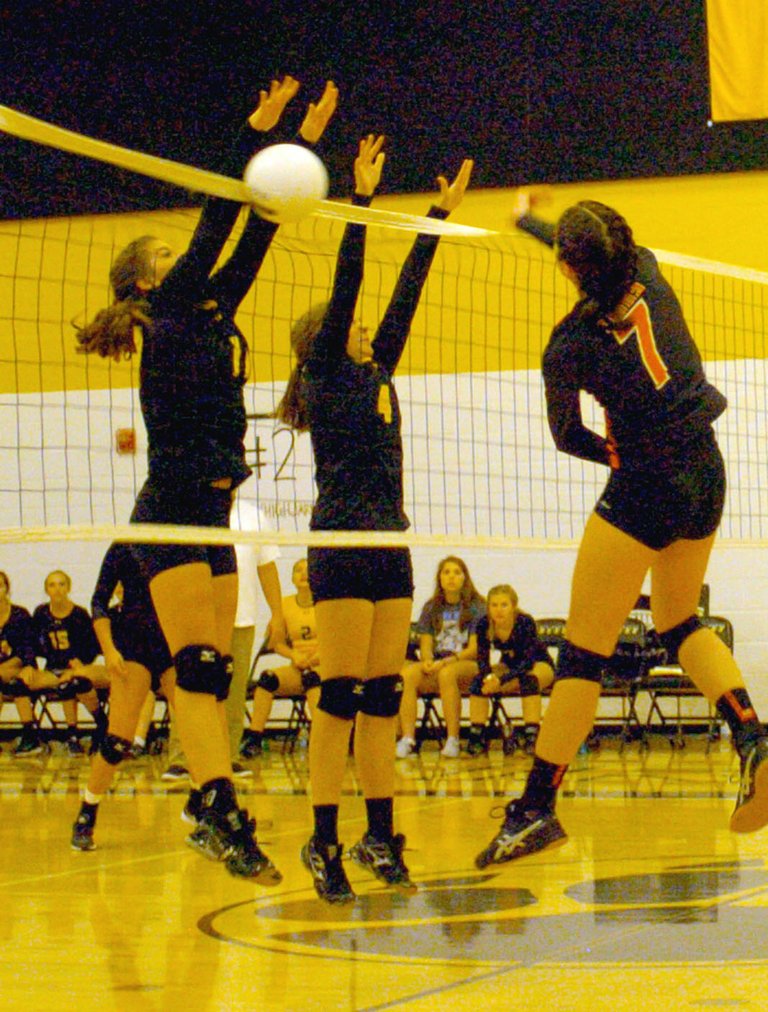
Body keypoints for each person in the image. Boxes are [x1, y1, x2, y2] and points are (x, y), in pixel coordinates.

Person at [74, 76, 338, 884]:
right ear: (149, 283)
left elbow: (260, 225)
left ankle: (208, 805)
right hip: (174, 507)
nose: (180, 259)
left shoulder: (212, 307)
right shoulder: (177, 306)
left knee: (211, 670)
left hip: (213, 508)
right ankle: (216, 805)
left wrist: (305, 148)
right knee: (193, 663)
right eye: (165, 258)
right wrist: (253, 131)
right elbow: (224, 217)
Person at [475, 192, 768, 868]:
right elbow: (594, 252)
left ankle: (535, 809)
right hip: (706, 470)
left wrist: (614, 457)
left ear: (567, 269)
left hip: (643, 482)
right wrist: (537, 226)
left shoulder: (568, 347)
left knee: (582, 655)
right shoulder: (648, 269)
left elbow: (567, 437)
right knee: (678, 620)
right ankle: (753, 740)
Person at [273, 131, 473, 902]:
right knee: (342, 697)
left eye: (360, 330)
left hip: (392, 546)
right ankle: (322, 843)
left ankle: (379, 835)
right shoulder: (326, 373)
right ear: (323, 342)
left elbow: (404, 295)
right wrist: (359, 200)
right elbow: (353, 282)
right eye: (349, 327)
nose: (362, 330)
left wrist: (434, 217)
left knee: (386, 698)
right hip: (342, 545)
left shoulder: (377, 368)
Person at [160, 493, 284, 779]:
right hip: (197, 618)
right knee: (191, 685)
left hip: (241, 618)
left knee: (233, 690)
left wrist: (277, 613)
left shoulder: (254, 516)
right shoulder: (191, 510)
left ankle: (229, 756)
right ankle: (181, 758)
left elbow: (267, 568)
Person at [70, 542, 175, 851]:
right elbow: (99, 600)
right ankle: (87, 811)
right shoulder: (126, 546)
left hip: (173, 639)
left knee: (200, 727)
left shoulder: (185, 539)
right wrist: (109, 649)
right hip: (133, 643)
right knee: (118, 739)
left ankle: (213, 808)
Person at [395, 555, 485, 759]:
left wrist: (447, 661)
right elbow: (426, 643)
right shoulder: (431, 607)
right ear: (439, 578)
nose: (451, 577)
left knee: (447, 674)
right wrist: (427, 660)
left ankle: (453, 739)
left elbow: (474, 648)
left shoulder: (476, 606)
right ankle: (408, 738)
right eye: (446, 572)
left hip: (467, 663)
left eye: (456, 572)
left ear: (465, 577)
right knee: (407, 674)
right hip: (439, 663)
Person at [240, 555, 321, 757]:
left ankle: (321, 740)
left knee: (312, 678)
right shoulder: (284, 605)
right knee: (268, 679)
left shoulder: (326, 603)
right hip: (299, 665)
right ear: (292, 579)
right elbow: (275, 644)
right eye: (298, 570)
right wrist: (294, 655)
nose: (304, 574)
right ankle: (254, 737)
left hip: (324, 666)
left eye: (308, 569)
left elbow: (339, 640)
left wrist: (316, 657)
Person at [465, 584, 555, 757]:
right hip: (510, 666)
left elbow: (528, 662)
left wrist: (502, 680)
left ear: (513, 606)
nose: (499, 610)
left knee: (529, 680)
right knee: (479, 682)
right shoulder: (484, 624)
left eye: (504, 605)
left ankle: (531, 736)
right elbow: (482, 659)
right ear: (488, 607)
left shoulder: (525, 622)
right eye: (494, 605)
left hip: (538, 663)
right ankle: (476, 735)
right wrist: (489, 677)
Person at [27, 569, 109, 755]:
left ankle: (95, 725)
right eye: (52, 585)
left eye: (61, 584)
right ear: (46, 590)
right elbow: (31, 644)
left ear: (69, 588)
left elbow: (93, 646)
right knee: (18, 684)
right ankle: (29, 737)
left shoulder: (79, 614)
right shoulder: (41, 613)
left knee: (73, 684)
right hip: (53, 669)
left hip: (77, 668)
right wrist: (29, 666)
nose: (57, 589)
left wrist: (80, 663)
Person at [0, 571, 43, 756]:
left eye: (0, 585)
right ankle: (29, 736)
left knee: (16, 683)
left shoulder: (19, 614)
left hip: (19, 665)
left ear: (7, 589)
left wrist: (20, 663)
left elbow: (28, 648)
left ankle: (30, 736)